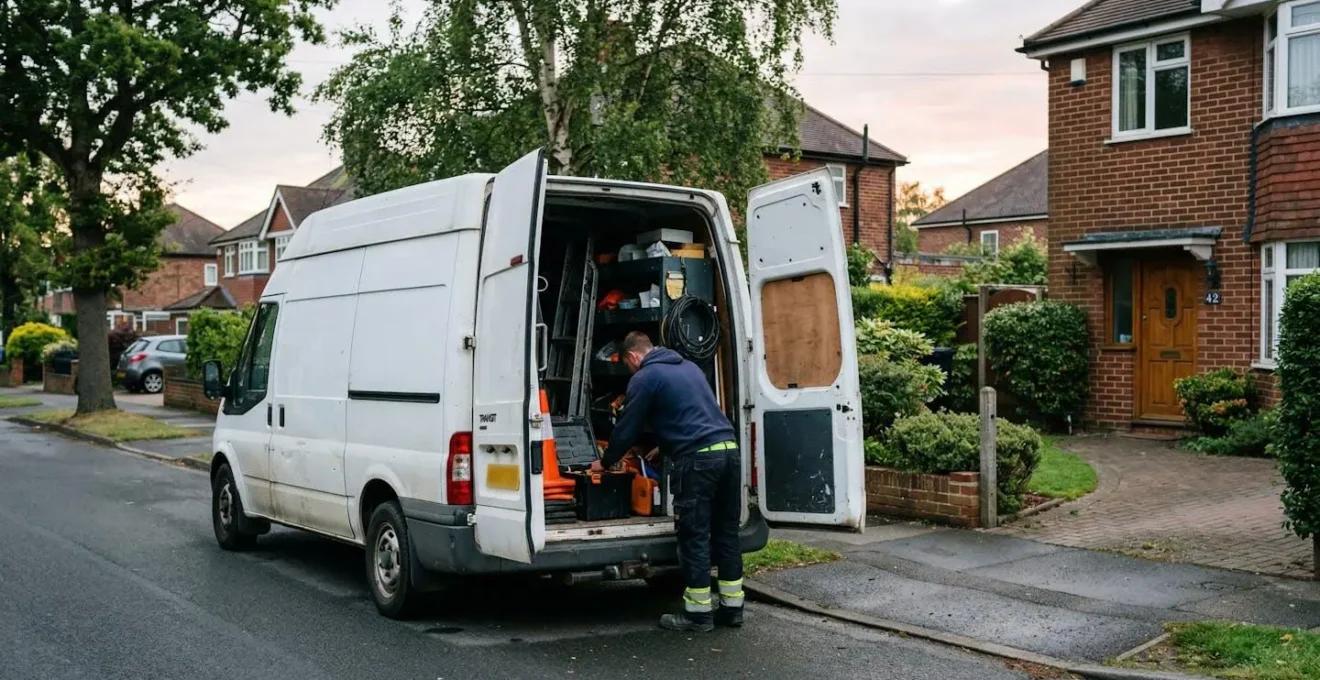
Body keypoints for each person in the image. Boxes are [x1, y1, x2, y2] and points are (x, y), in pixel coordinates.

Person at [590, 331, 743, 632]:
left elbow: (628, 428)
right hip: (729, 452)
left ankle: (698, 615)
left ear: (633, 357)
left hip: (698, 461)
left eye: (628, 366)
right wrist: (665, 447)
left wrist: (605, 462)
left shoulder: (645, 377)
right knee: (726, 534)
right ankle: (733, 609)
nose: (631, 371)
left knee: (694, 535)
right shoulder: (689, 367)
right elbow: (694, 414)